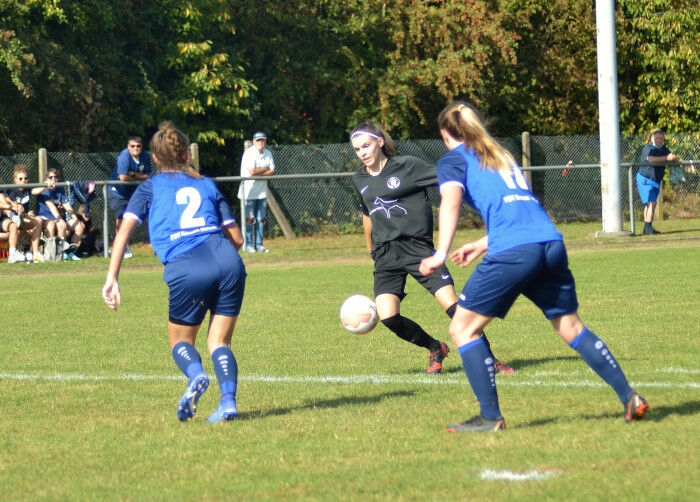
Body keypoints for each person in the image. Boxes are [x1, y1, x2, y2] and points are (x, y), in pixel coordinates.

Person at [419, 102, 649, 432]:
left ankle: (490, 417)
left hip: (514, 250)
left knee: (462, 329)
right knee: (570, 325)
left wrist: (440, 252)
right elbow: (522, 206)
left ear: (444, 134)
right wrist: (483, 243)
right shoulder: (501, 155)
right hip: (549, 243)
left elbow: (450, 203)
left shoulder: (453, 160)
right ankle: (630, 397)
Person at [102, 121, 247, 423]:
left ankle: (196, 375)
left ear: (154, 158)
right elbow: (237, 239)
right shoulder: (206, 184)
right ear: (186, 154)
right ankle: (228, 403)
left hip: (186, 266)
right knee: (220, 342)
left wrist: (112, 278)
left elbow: (123, 233)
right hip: (228, 262)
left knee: (181, 342)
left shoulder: (149, 187)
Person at [350, 121, 513, 375]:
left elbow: (450, 179)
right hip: (386, 255)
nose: (362, 152)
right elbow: (367, 213)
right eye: (357, 149)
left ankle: (490, 360)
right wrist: (370, 247)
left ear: (380, 142)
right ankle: (435, 347)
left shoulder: (408, 166)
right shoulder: (359, 179)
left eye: (366, 145)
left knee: (454, 308)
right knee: (388, 317)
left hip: (418, 249)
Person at [108, 135, 152, 258]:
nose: (135, 148)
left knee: (132, 218)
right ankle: (122, 248)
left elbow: (147, 176)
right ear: (128, 146)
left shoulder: (145, 156)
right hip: (117, 192)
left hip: (133, 192)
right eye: (132, 146)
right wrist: (138, 176)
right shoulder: (124, 156)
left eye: (138, 146)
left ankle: (121, 246)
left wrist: (133, 174)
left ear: (141, 147)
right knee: (121, 219)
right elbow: (123, 177)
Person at [35, 168, 85, 261]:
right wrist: (60, 219)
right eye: (50, 177)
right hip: (46, 218)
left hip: (57, 217)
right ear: (46, 179)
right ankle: (57, 254)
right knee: (60, 225)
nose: (53, 179)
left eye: (56, 177)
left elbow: (67, 205)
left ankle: (70, 253)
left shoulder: (59, 189)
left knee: (80, 226)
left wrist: (75, 218)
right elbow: (51, 207)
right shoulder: (45, 189)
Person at [237, 131, 275, 253]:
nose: (260, 142)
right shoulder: (248, 153)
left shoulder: (268, 153)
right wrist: (265, 169)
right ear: (253, 142)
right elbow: (251, 172)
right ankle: (249, 245)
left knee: (261, 219)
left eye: (262, 140)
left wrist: (260, 172)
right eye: (258, 140)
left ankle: (259, 245)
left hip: (262, 192)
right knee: (250, 219)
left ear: (265, 142)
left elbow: (272, 171)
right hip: (248, 192)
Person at [636, 128, 677, 235]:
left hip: (655, 181)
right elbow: (651, 159)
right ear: (652, 138)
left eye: (661, 138)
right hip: (645, 179)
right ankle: (648, 228)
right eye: (657, 138)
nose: (659, 140)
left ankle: (646, 228)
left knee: (648, 204)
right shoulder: (648, 148)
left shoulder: (663, 149)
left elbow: (671, 157)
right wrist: (666, 158)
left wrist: (673, 157)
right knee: (652, 203)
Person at [3, 164, 44, 262]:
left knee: (38, 223)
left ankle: (35, 254)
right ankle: (15, 252)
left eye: (25, 178)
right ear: (15, 180)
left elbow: (35, 191)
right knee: (18, 226)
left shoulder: (27, 189)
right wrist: (15, 205)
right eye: (20, 179)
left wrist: (46, 185)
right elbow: (8, 202)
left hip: (22, 216)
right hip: (11, 218)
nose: (23, 181)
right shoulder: (11, 190)